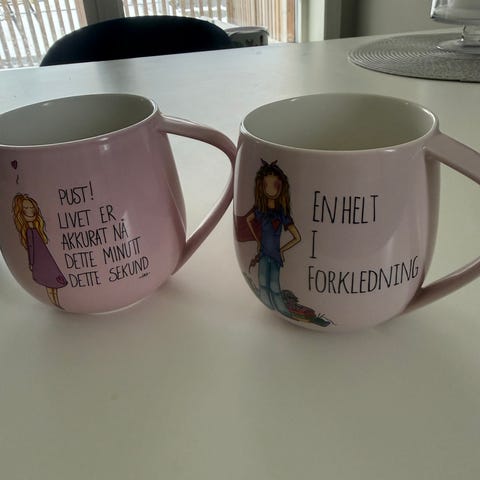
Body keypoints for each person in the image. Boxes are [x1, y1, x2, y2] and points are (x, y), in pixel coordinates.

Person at [245, 160, 301, 317]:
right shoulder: (260, 211)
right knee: (262, 280)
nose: (270, 189)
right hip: (264, 253)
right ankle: (269, 303)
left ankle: (281, 309)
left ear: (281, 186)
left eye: (275, 185)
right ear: (261, 186)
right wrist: (258, 240)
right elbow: (248, 220)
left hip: (275, 255)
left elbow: (297, 237)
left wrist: (282, 250)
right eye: (266, 185)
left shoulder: (282, 214)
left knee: (275, 285)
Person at [12, 194, 67, 308]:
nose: (30, 211)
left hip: (47, 259)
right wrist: (32, 263)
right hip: (40, 262)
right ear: (21, 212)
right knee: (49, 283)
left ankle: (57, 302)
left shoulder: (36, 228)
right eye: (26, 208)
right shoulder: (28, 231)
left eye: (31, 208)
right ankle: (56, 303)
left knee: (53, 283)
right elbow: (31, 249)